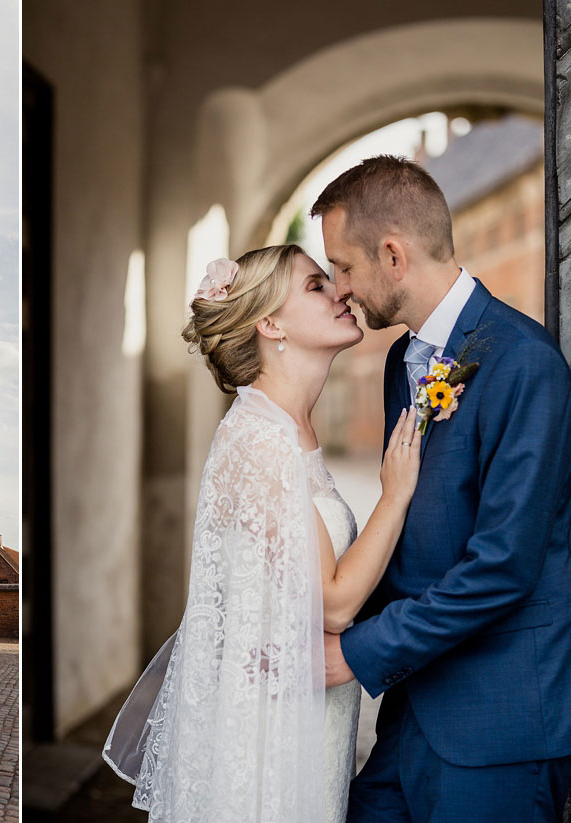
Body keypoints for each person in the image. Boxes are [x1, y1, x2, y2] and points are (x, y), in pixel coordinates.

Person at [103, 244, 422, 821]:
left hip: (308, 716)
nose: (340, 291)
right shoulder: (260, 439)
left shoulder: (283, 428)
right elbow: (332, 603)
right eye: (315, 286)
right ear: (270, 324)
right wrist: (395, 494)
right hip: (271, 733)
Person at [312, 155, 571, 821]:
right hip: (413, 711)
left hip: (497, 723)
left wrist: (358, 651)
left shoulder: (526, 363)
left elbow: (504, 566)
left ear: (393, 254)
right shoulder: (403, 363)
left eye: (343, 266)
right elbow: (422, 534)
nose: (339, 288)